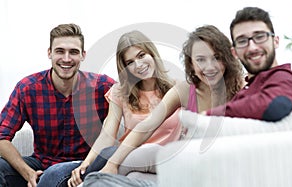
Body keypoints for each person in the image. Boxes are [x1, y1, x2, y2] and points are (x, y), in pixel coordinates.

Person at [81, 25, 245, 186]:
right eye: (200, 60)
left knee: (143, 155)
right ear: (191, 64)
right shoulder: (185, 90)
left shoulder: (242, 88)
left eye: (216, 57)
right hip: (183, 167)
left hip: (213, 169)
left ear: (228, 56)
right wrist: (111, 164)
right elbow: (146, 126)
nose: (209, 66)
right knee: (133, 176)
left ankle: (90, 181)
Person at [0, 23, 115, 187]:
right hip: (41, 163)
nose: (66, 59)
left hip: (82, 166)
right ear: (49, 53)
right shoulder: (28, 88)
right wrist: (28, 173)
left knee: (54, 174)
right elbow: (2, 136)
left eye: (73, 52)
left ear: (83, 55)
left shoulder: (102, 87)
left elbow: (134, 107)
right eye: (60, 51)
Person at [67, 30, 183, 187]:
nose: (139, 64)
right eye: (130, 62)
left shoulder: (177, 89)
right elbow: (107, 135)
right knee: (132, 176)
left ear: (152, 54)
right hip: (130, 162)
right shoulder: (120, 92)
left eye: (142, 55)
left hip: (163, 161)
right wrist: (86, 163)